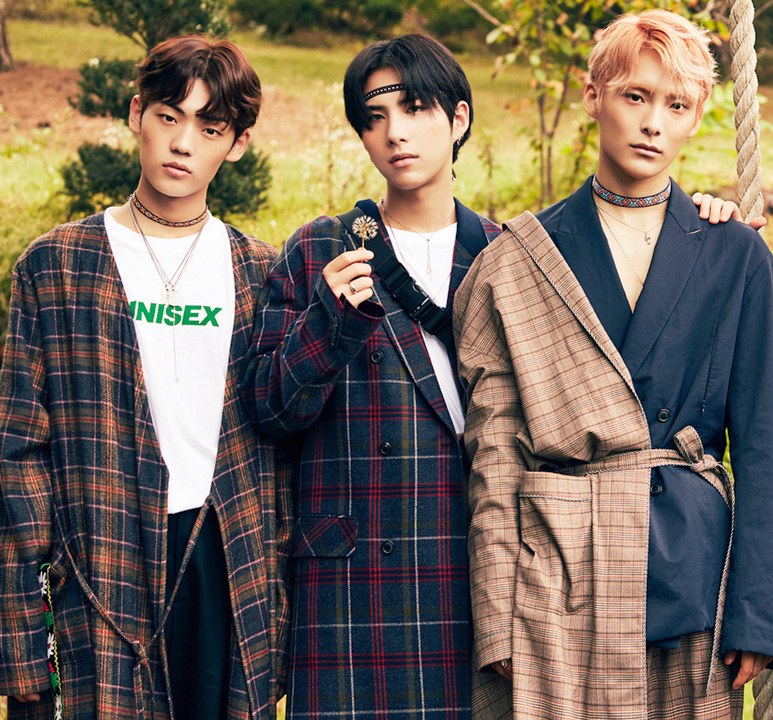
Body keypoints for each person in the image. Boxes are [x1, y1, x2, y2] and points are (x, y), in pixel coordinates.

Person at [454, 9, 773, 719]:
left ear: (697, 117)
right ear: (593, 96)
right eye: (635, 96)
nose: (652, 124)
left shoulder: (734, 253)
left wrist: (758, 616)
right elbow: (494, 453)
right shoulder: (517, 261)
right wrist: (496, 614)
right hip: (556, 573)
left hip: (691, 569)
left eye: (677, 106)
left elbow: (763, 444)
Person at [0, 35, 287, 720]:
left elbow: (282, 450)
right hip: (99, 555)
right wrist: (20, 630)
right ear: (137, 113)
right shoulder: (56, 266)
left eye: (209, 128)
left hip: (223, 556)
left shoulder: (261, 273)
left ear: (237, 144)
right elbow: (17, 455)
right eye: (168, 116)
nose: (182, 144)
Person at [242, 33, 502, 719]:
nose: (395, 134)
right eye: (374, 117)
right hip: (352, 581)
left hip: (473, 564)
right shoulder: (320, 247)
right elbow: (269, 410)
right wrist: (328, 322)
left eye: (414, 109)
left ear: (459, 118)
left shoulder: (504, 254)